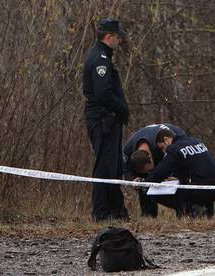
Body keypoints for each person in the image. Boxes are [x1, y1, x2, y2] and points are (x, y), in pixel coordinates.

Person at [83, 19, 130, 221]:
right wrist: (122, 109)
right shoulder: (100, 60)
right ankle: (102, 213)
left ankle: (117, 211)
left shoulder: (103, 57)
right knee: (105, 166)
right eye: (118, 37)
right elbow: (103, 94)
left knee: (113, 166)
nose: (119, 41)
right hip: (103, 120)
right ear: (109, 37)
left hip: (107, 120)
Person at [131, 129, 215, 218]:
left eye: (162, 148)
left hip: (201, 190)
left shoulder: (174, 148)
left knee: (157, 194)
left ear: (166, 140)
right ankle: (206, 213)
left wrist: (145, 183)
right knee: (188, 187)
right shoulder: (195, 141)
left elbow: (160, 172)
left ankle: (188, 212)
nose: (164, 152)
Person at [123, 124, 186, 217]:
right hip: (145, 149)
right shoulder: (128, 150)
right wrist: (133, 180)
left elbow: (178, 161)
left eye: (150, 169)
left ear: (151, 157)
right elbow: (126, 170)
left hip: (178, 135)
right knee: (144, 185)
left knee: (178, 182)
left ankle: (184, 212)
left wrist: (174, 175)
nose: (149, 172)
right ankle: (148, 216)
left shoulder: (162, 145)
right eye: (146, 172)